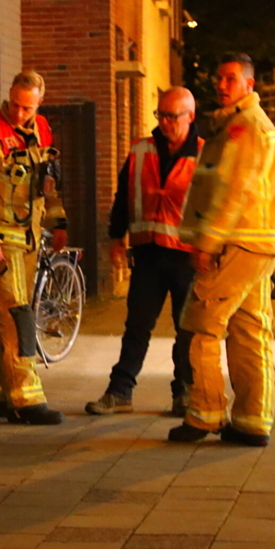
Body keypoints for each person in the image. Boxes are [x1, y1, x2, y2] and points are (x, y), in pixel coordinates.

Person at [168, 53, 275, 447]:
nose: (221, 85)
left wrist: (206, 243)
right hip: (256, 241)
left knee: (201, 324)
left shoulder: (243, 128)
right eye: (219, 78)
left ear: (249, 85)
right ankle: (253, 420)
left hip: (235, 242)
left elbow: (232, 191)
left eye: (231, 79)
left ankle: (205, 413)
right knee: (250, 330)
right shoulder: (242, 124)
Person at [0, 70, 68, 425]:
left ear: (39, 102)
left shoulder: (41, 129)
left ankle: (4, 396)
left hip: (30, 238)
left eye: (27, 107)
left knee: (6, 316)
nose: (19, 114)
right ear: (9, 96)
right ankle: (26, 398)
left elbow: (48, 181)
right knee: (15, 314)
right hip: (3, 242)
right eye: (15, 105)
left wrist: (58, 220)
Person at [86, 87, 201, 417]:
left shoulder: (205, 155)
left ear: (190, 117)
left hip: (187, 256)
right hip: (148, 253)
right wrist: (115, 238)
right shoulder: (141, 150)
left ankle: (185, 393)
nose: (164, 122)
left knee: (187, 330)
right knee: (137, 326)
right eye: (160, 115)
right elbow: (123, 196)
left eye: (172, 116)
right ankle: (120, 391)